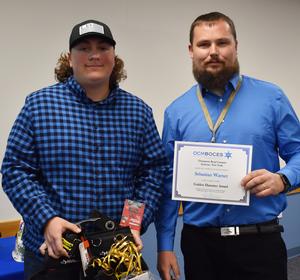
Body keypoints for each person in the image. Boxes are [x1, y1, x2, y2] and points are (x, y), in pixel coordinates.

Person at [1, 19, 167, 279]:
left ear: (114, 57)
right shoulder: (38, 106)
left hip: (116, 254)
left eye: (103, 47)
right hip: (54, 255)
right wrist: (48, 219)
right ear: (69, 58)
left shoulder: (138, 112)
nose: (94, 55)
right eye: (84, 48)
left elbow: (153, 172)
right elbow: (15, 171)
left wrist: (132, 222)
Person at [155, 12, 300, 280]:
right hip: (200, 248)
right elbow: (167, 183)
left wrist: (283, 179)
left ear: (236, 45)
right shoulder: (176, 112)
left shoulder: (272, 98)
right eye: (203, 44)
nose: (213, 52)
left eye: (222, 43)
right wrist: (164, 246)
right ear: (191, 50)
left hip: (260, 242)